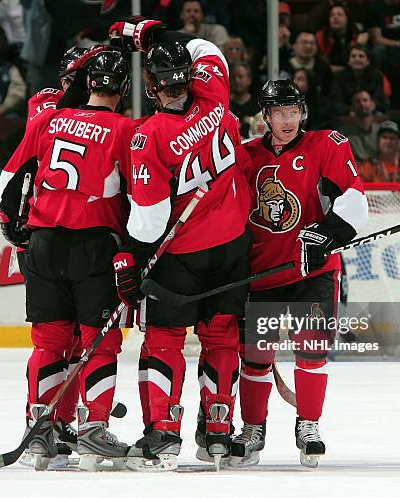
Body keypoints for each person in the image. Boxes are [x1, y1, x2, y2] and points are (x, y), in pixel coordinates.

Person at [108, 18, 251, 471]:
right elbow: (209, 46)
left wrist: (130, 253)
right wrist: (153, 35)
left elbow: (149, 224)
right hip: (233, 246)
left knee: (165, 339)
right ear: (189, 76)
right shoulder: (215, 95)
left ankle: (163, 435)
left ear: (151, 87)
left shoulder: (147, 137)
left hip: (182, 254)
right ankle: (219, 432)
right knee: (223, 336)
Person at [0, 48, 136, 472]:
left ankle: (38, 429)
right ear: (123, 89)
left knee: (49, 340)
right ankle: (93, 427)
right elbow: (139, 196)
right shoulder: (126, 130)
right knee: (100, 341)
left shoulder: (49, 119)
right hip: (93, 247)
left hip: (42, 245)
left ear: (88, 84)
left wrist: (13, 225)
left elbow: (8, 179)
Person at [232, 79, 368, 468]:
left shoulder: (325, 145)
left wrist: (325, 233)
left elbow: (355, 199)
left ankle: (308, 423)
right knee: (256, 357)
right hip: (262, 274)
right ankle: (252, 427)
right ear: (267, 117)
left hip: (313, 271)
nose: (287, 120)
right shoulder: (247, 156)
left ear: (302, 113)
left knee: (312, 351)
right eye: (279, 113)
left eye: (293, 112)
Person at [359, 120, 400, 203]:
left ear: (399, 142)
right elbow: (359, 194)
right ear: (377, 141)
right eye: (384, 137)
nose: (388, 141)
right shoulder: (367, 166)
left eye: (392, 138)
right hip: (376, 213)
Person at [329, 44, 390, 116]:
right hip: (347, 113)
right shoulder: (339, 77)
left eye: (361, 56)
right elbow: (337, 100)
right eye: (353, 56)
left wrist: (371, 106)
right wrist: (349, 112)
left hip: (371, 111)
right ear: (348, 61)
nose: (357, 59)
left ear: (368, 61)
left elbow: (378, 98)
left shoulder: (376, 76)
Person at [316, 2, 369, 73]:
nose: (335, 17)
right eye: (332, 15)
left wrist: (358, 44)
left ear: (347, 19)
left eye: (340, 15)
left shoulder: (357, 36)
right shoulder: (321, 35)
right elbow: (324, 64)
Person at [338, 89, 386, 162]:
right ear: (352, 108)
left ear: (373, 105)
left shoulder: (384, 131)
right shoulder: (343, 134)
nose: (362, 104)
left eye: (365, 100)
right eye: (357, 102)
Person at [230, 61, 259, 139]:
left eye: (240, 77)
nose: (236, 80)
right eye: (233, 77)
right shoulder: (225, 106)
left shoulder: (258, 105)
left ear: (249, 80)